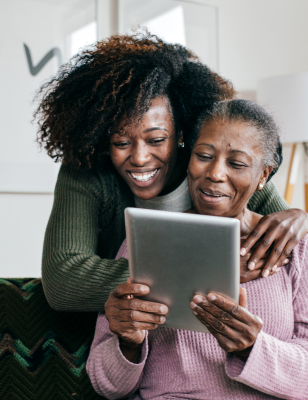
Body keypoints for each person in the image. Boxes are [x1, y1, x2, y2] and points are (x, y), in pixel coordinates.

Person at [34, 32, 308, 312]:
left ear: (181, 134)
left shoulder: (213, 165)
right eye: (121, 142)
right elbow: (63, 283)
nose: (139, 158)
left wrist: (302, 218)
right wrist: (207, 269)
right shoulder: (87, 168)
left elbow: (285, 237)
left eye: (156, 140)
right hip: (123, 328)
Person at [86, 99, 308, 399]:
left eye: (237, 163)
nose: (215, 173)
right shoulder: (145, 238)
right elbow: (105, 385)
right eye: (203, 155)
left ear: (264, 176)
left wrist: (252, 348)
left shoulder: (297, 248)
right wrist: (127, 342)